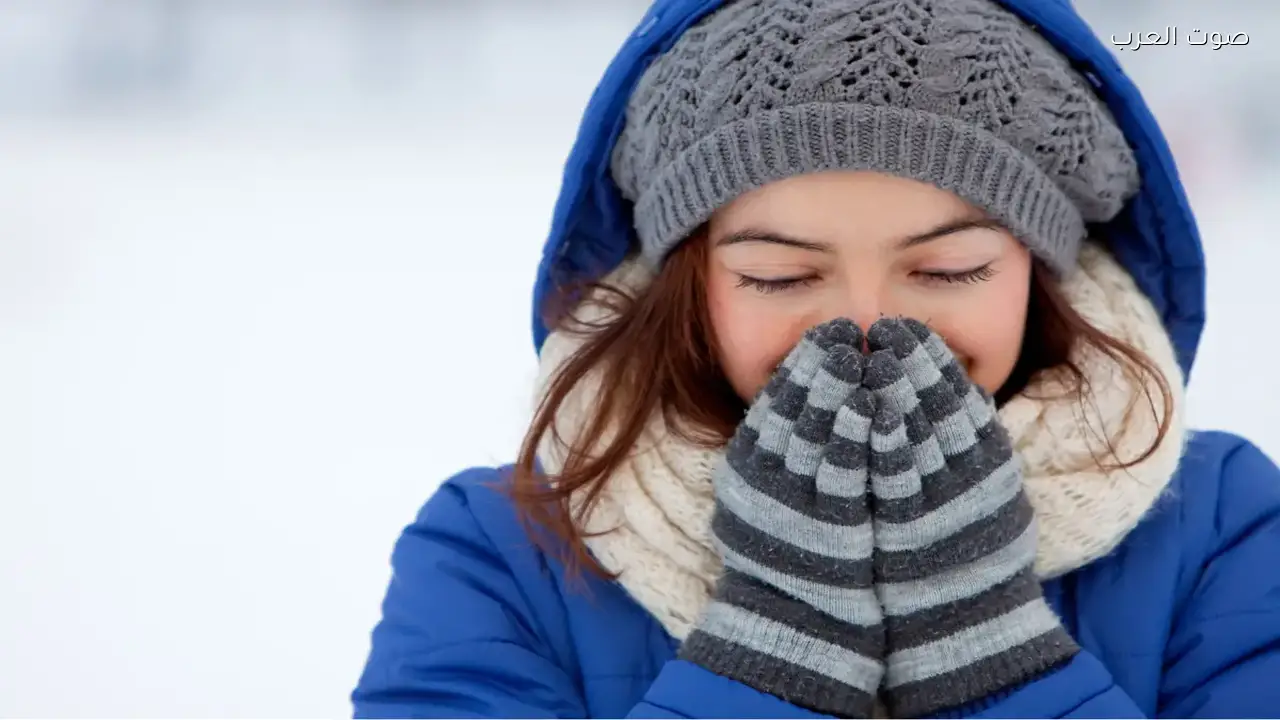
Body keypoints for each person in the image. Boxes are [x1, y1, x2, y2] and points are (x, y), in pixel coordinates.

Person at [352, 0, 1280, 717]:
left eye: (949, 268)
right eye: (780, 275)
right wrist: (773, 658)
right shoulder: (497, 556)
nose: (869, 326)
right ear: (688, 283)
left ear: (1037, 273)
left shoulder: (1222, 527)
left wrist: (990, 656)